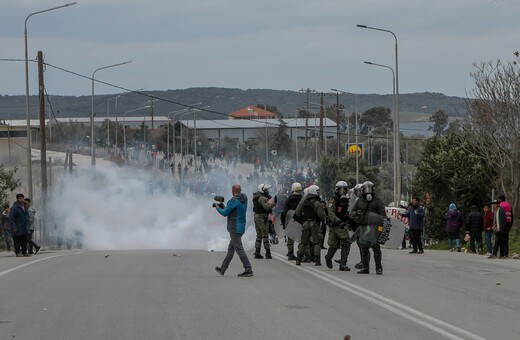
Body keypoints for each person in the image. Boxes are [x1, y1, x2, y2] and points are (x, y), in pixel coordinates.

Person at [214, 184, 253, 277]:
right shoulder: (244, 199)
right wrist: (224, 206)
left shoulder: (233, 201)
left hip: (234, 227)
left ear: (232, 190)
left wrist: (217, 208)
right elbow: (231, 210)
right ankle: (222, 269)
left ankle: (248, 269)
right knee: (231, 249)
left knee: (239, 249)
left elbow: (224, 213)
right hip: (241, 226)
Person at [350, 181, 386, 275]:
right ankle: (365, 267)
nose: (368, 190)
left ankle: (379, 268)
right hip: (363, 227)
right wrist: (356, 214)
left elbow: (383, 215)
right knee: (363, 247)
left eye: (370, 188)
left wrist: (380, 226)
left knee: (375, 247)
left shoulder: (377, 201)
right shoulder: (360, 200)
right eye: (366, 188)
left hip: (374, 227)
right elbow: (352, 212)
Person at [294, 185, 326, 266]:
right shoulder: (316, 202)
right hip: (314, 223)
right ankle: (317, 260)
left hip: (305, 223)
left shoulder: (304, 201)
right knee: (316, 242)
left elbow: (297, 213)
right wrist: (324, 221)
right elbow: (321, 215)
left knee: (303, 242)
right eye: (318, 191)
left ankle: (298, 259)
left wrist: (303, 220)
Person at [325, 181, 352, 271]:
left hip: (342, 224)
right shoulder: (333, 199)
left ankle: (328, 257)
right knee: (346, 243)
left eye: (345, 189)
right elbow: (331, 213)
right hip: (337, 224)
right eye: (341, 189)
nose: (343, 191)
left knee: (335, 244)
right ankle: (343, 264)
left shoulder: (345, 200)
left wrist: (348, 218)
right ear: (337, 189)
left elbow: (345, 212)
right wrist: (339, 221)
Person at [252, 183, 276, 259]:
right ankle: (268, 253)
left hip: (257, 216)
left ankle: (257, 252)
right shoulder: (262, 198)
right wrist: (274, 202)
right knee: (265, 234)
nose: (267, 191)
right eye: (266, 190)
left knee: (259, 235)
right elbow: (267, 207)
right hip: (262, 217)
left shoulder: (257, 197)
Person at [281, 182, 303, 261]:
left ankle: (290, 254)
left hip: (290, 221)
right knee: (301, 238)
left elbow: (285, 212)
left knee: (290, 239)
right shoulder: (302, 198)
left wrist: (284, 224)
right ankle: (301, 254)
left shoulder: (289, 199)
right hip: (300, 221)